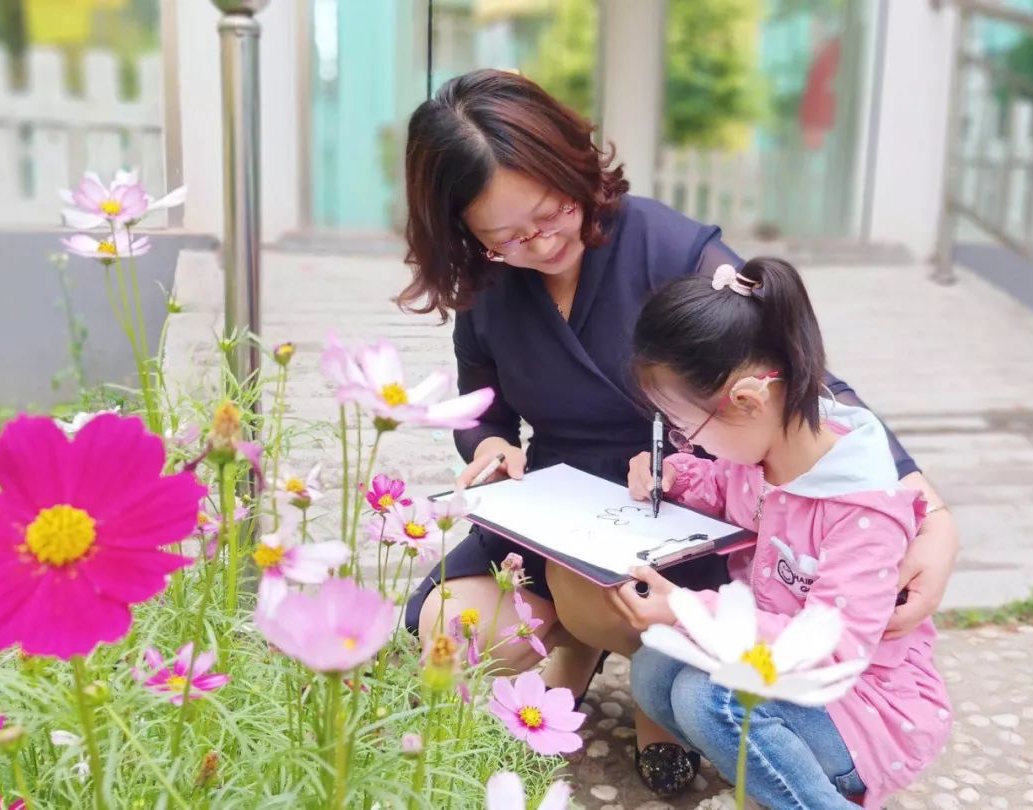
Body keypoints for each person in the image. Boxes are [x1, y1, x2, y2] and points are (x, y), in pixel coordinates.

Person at [397, 68, 958, 797]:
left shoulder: (666, 248)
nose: (540, 242)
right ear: (466, 234)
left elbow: (802, 380)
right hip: (554, 507)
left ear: (574, 165)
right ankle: (583, 647)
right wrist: (491, 446)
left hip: (684, 505)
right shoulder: (489, 284)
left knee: (603, 594)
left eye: (551, 210)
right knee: (453, 629)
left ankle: (647, 693)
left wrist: (931, 513)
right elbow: (486, 403)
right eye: (507, 236)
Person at [612, 258, 950, 808]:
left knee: (710, 699)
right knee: (655, 668)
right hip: (789, 677)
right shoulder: (766, 455)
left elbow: (833, 649)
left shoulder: (863, 509)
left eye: (684, 427)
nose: (681, 438)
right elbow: (726, 486)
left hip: (863, 710)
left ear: (747, 401)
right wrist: (676, 475)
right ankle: (772, 771)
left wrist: (690, 611)